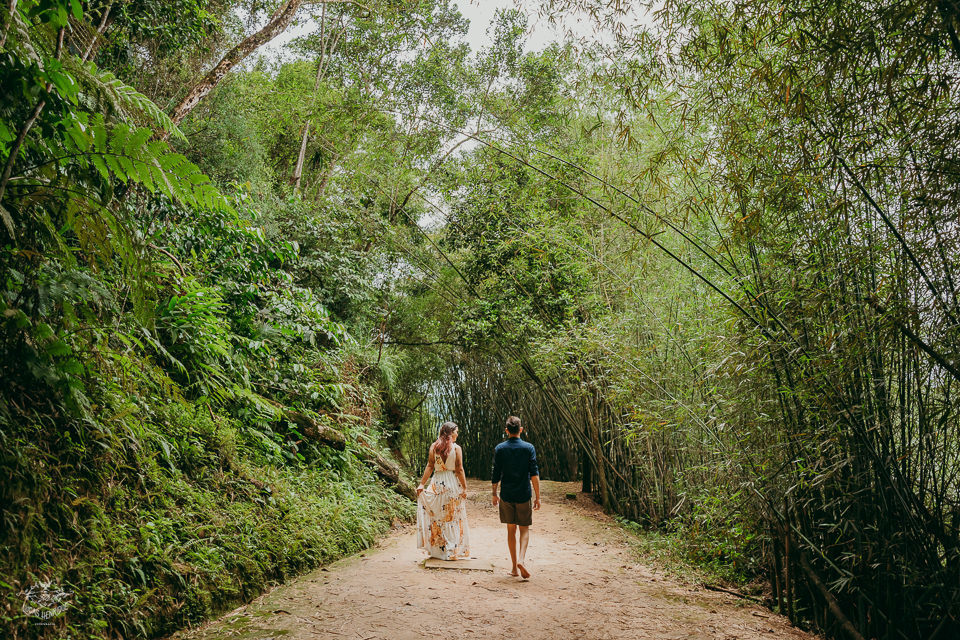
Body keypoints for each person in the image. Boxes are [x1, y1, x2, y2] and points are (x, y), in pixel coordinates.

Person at [491, 415, 541, 579]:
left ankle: (514, 567)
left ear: (507, 431)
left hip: (507, 494)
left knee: (511, 530)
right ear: (521, 429)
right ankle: (521, 560)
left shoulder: (500, 448)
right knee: (524, 529)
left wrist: (494, 494)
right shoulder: (529, 448)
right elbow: (534, 474)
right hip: (523, 493)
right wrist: (537, 497)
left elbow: (496, 473)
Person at [416, 421, 471, 560]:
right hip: (451, 483)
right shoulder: (456, 448)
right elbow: (459, 469)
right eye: (456, 431)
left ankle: (440, 550)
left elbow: (430, 466)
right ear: (451, 433)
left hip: (437, 484)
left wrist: (422, 484)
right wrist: (464, 487)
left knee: (438, 516)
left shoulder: (434, 447)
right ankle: (451, 549)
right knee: (452, 517)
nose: (457, 434)